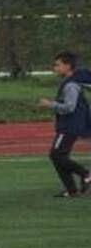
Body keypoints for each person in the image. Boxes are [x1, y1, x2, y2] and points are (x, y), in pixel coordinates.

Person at [38, 49, 91, 198]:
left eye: (58, 65)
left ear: (68, 66)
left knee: (57, 155)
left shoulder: (71, 85)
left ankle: (85, 174)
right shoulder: (70, 82)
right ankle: (72, 190)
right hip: (69, 125)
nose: (55, 68)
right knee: (58, 156)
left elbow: (69, 107)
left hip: (70, 126)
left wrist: (50, 104)